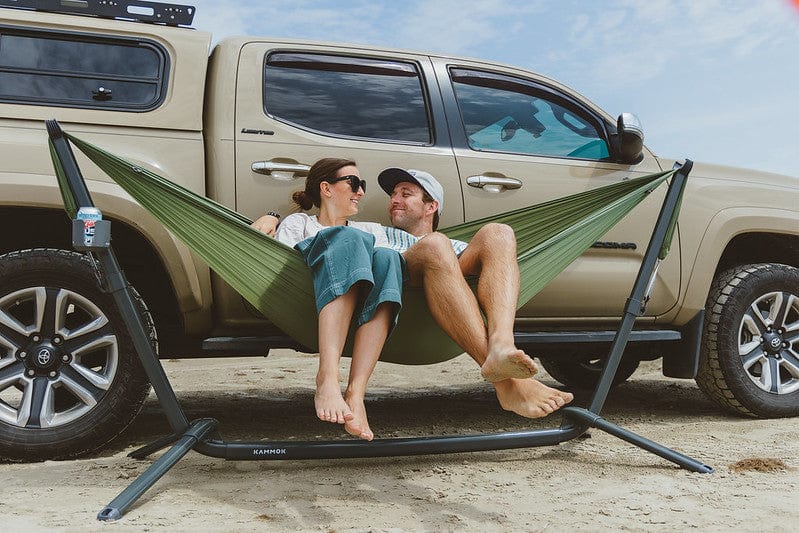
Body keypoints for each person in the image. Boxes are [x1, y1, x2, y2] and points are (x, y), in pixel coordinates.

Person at [252, 168, 573, 419]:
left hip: (448, 279)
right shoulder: (372, 230)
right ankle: (508, 384)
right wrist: (275, 216)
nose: (394, 199)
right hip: (397, 285)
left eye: (406, 194)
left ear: (431, 206)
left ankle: (501, 346)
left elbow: (493, 267)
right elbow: (323, 231)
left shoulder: (455, 246)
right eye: (393, 193)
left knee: (499, 232)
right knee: (435, 245)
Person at [265, 157, 405, 441]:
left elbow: (413, 248)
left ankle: (356, 393)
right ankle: (327, 379)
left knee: (389, 257)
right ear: (326, 188)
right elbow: (278, 263)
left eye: (361, 185)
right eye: (354, 183)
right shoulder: (298, 223)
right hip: (307, 301)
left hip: (361, 309)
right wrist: (272, 216)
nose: (361, 192)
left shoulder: (372, 230)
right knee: (347, 237)